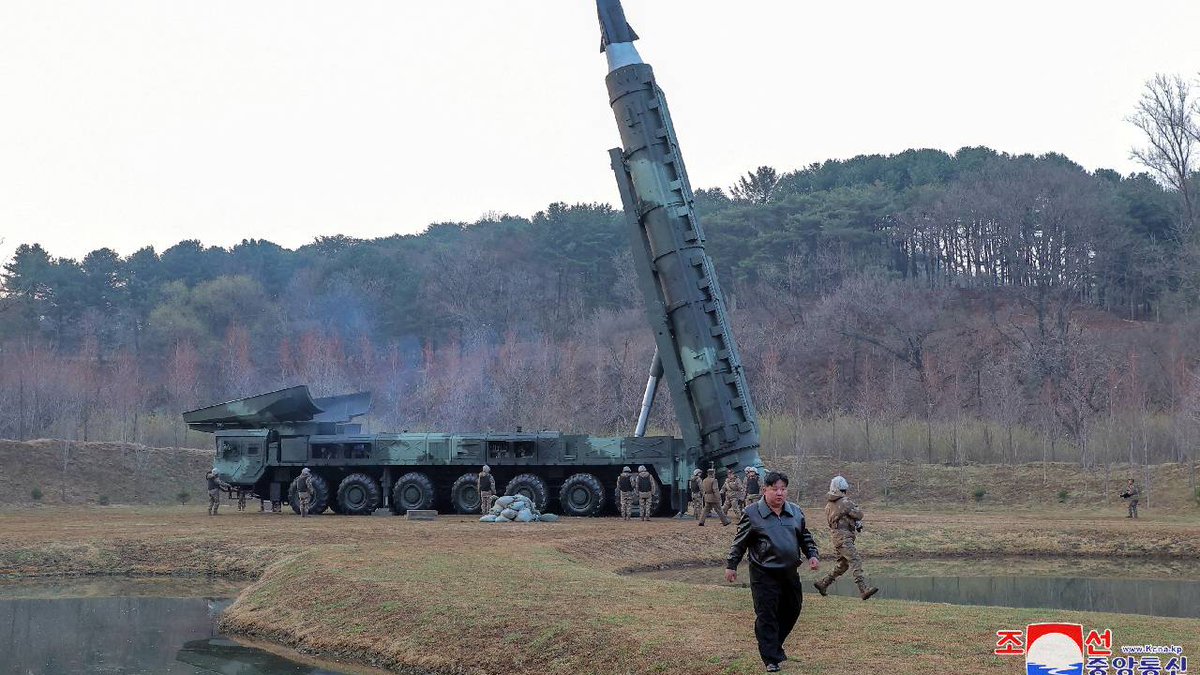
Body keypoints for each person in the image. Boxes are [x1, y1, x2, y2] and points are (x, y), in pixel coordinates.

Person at [725, 470, 819, 672]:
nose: (779, 493)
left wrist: (812, 554)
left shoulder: (795, 511)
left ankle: (773, 645)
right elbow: (739, 543)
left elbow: (805, 537)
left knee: (792, 609)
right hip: (763, 573)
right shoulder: (752, 513)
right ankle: (770, 658)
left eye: (783, 489)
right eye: (775, 489)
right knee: (767, 615)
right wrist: (731, 565)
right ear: (764, 490)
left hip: (789, 572)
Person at [813, 475, 878, 600]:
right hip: (844, 538)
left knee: (843, 565)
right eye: (844, 490)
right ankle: (863, 589)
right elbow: (859, 514)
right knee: (855, 560)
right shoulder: (845, 502)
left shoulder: (829, 505)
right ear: (843, 489)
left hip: (836, 537)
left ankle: (823, 584)